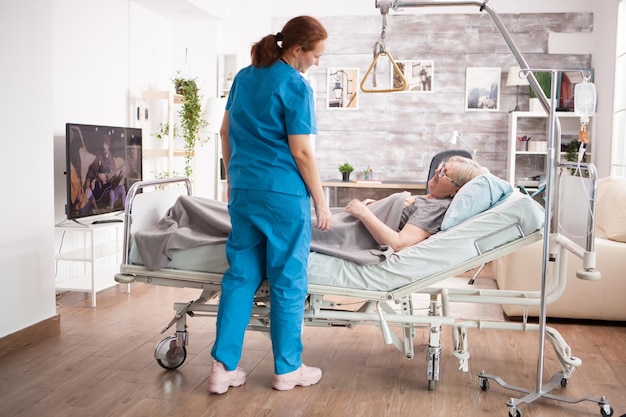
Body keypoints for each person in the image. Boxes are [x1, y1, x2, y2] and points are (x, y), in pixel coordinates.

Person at [208, 16, 333, 394]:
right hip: (283, 196)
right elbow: (302, 153)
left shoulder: (244, 77)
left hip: (244, 190)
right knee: (287, 281)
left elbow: (225, 131)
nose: (317, 62)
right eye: (316, 55)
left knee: (241, 277)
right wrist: (322, 203)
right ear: (297, 49)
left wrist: (233, 178)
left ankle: (222, 369)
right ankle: (287, 369)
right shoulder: (296, 86)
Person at [341, 156, 487, 252]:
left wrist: (364, 213)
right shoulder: (431, 199)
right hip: (348, 221)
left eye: (444, 173)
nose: (437, 171)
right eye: (442, 167)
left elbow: (398, 243)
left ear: (457, 189)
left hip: (348, 233)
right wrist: (382, 206)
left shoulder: (436, 208)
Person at [85, 133, 127, 212]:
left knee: (121, 188)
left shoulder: (112, 162)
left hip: (111, 192)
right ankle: (109, 211)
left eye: (105, 144)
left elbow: (113, 183)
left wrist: (120, 175)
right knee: (110, 192)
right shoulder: (98, 158)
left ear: (109, 145)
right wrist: (98, 176)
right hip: (103, 194)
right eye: (102, 144)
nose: (103, 146)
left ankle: (125, 211)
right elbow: (90, 172)